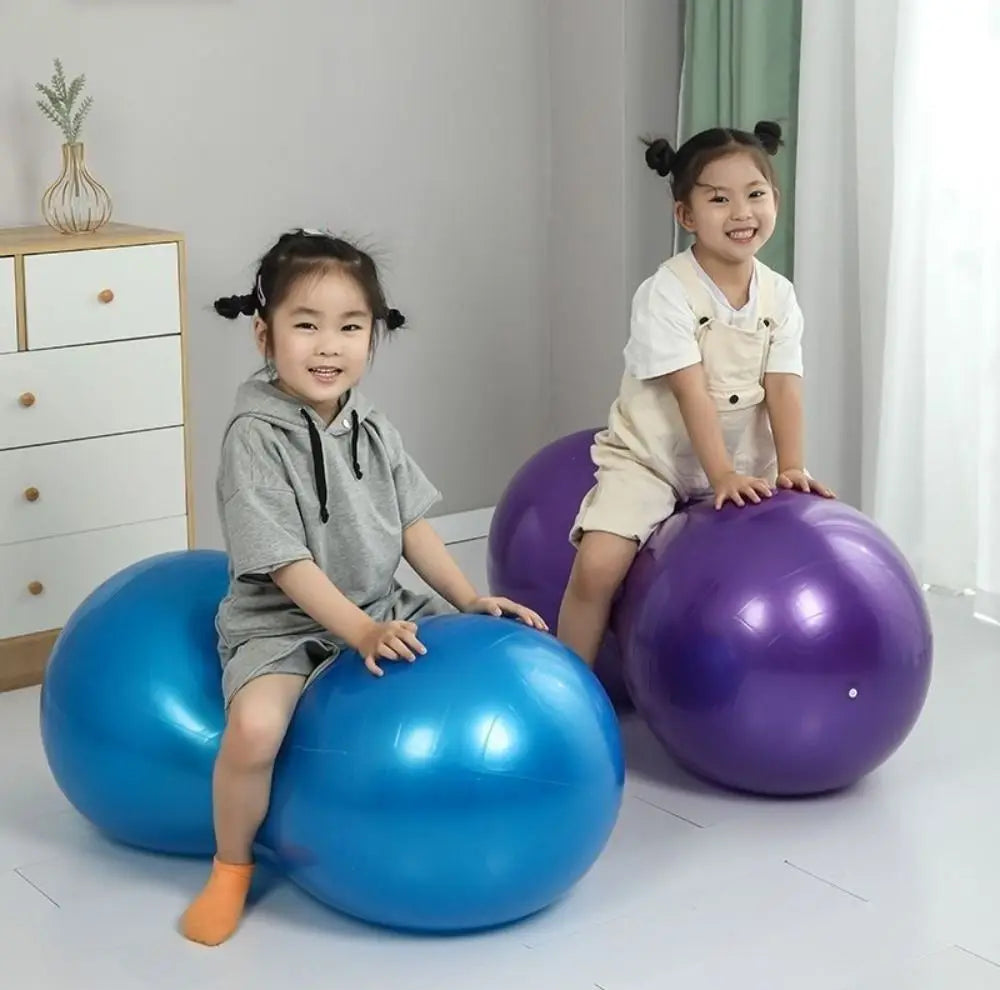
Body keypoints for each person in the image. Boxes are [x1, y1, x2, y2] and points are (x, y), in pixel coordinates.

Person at [180, 228, 546, 946]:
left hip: (378, 607)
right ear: (264, 333)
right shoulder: (254, 435)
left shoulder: (370, 423)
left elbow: (409, 525)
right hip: (283, 622)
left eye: (350, 327)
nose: (328, 347)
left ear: (373, 337)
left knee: (477, 668)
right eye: (305, 325)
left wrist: (467, 600)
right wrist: (357, 633)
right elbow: (285, 564)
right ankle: (230, 867)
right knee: (255, 732)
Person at [557, 121, 834, 668]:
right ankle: (568, 684)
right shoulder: (666, 292)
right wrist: (719, 475)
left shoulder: (780, 295)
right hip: (654, 460)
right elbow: (691, 393)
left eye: (755, 195)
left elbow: (783, 385)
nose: (741, 213)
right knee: (597, 565)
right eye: (718, 199)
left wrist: (791, 466)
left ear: (776, 200)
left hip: (746, 465)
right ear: (686, 215)